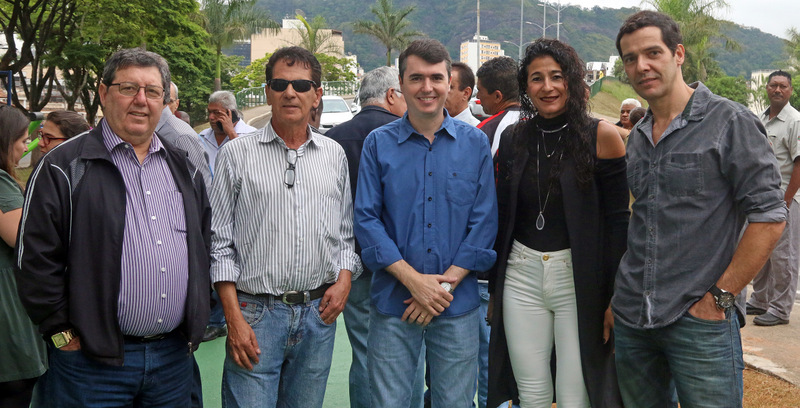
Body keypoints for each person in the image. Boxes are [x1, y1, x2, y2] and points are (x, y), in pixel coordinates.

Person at [15, 48, 212, 407]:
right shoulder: (64, 166)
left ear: (164, 101)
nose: (141, 101)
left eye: (152, 91)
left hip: (172, 362)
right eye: (128, 88)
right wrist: (61, 334)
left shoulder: (184, 167)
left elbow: (203, 244)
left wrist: (198, 315)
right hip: (89, 366)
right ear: (104, 93)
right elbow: (35, 260)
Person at [612, 11, 786, 407]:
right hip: (634, 317)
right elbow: (643, 222)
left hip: (700, 319)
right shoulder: (637, 137)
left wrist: (720, 298)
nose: (642, 66)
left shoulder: (730, 122)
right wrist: (618, 301)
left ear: (678, 54)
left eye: (652, 52)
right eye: (630, 58)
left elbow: (770, 217)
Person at [209, 46, 360, 408]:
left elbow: (344, 233)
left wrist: (343, 280)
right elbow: (218, 242)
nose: (290, 92)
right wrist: (233, 318)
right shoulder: (236, 154)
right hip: (255, 314)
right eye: (280, 83)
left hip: (317, 316)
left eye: (302, 85)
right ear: (268, 92)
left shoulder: (333, 154)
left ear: (317, 95)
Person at [354, 38, 498, 408]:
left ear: (450, 82)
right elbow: (367, 220)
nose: (427, 88)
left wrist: (440, 288)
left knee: (455, 402)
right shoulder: (377, 144)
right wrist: (415, 282)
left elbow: (484, 222)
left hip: (458, 303)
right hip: (393, 301)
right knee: (391, 402)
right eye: (416, 78)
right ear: (400, 84)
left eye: (436, 78)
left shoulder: (475, 144)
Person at [487, 38, 628, 408]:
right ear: (526, 86)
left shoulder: (603, 136)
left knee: (574, 394)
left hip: (579, 281)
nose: (547, 87)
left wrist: (614, 296)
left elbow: (618, 223)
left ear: (572, 80)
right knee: (531, 393)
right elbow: (502, 216)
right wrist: (494, 290)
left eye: (556, 76)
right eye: (536, 78)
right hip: (520, 275)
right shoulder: (515, 137)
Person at [325, 65, 409, 408]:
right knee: (404, 350)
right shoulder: (403, 136)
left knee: (362, 349)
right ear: (391, 95)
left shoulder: (333, 140)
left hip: (352, 263)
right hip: (400, 264)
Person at [0, 104, 46, 408]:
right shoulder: (2, 185)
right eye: (21, 141)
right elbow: (27, 242)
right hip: (8, 321)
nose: (25, 147)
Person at [746, 70, 800, 326]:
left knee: (784, 256)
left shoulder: (795, 121)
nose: (778, 90)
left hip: (788, 197)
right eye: (774, 85)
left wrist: (787, 201)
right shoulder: (762, 119)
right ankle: (760, 300)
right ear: (766, 88)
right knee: (762, 251)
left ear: (790, 91)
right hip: (763, 197)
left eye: (783, 86)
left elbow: (799, 164)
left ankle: (780, 309)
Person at [198, 90, 257, 172]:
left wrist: (231, 133)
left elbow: (254, 166)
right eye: (209, 112)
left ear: (231, 114)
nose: (211, 117)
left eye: (216, 113)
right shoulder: (203, 137)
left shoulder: (252, 135)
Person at [476, 56, 521, 156]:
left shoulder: (484, 131)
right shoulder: (540, 123)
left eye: (480, 90)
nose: (478, 96)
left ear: (497, 96)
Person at [446, 61, 480, 126]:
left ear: (466, 93)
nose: (443, 92)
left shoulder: (477, 131)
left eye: (450, 87)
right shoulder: (429, 127)